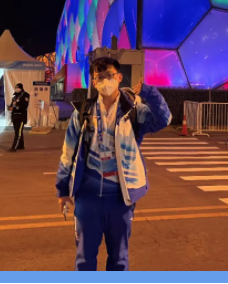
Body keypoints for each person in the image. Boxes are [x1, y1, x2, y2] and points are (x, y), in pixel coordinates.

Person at [55, 57, 171, 271]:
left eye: (109, 75)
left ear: (119, 77)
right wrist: (62, 189)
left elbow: (163, 119)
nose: (104, 81)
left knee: (119, 258)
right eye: (99, 77)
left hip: (120, 198)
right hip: (87, 197)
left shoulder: (133, 111)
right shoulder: (83, 112)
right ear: (93, 82)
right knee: (84, 258)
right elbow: (68, 152)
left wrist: (149, 93)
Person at [8, 83, 30, 152]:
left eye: (18, 88)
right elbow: (12, 105)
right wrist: (10, 107)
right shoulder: (14, 97)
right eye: (16, 87)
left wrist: (16, 107)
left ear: (21, 88)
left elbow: (25, 106)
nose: (17, 89)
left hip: (21, 116)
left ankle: (14, 147)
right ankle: (21, 145)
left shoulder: (25, 95)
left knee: (18, 133)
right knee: (17, 131)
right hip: (14, 116)